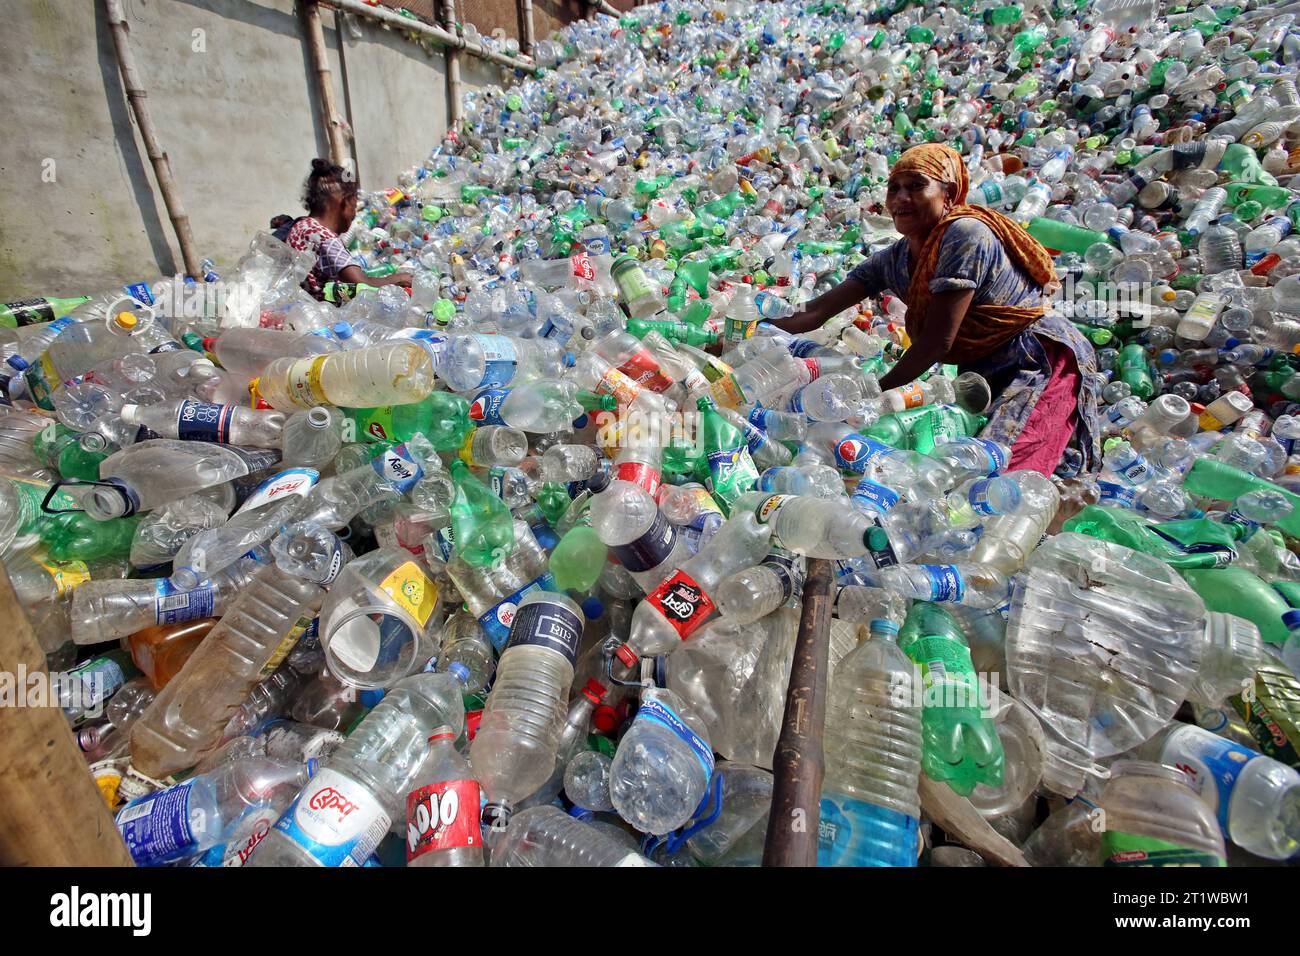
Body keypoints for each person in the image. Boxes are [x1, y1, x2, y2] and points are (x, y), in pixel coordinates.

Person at [771, 143, 1100, 477]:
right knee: (984, 469)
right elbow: (814, 312)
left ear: (949, 194)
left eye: (916, 186)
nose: (901, 198)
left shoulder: (965, 234)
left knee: (1005, 476)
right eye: (894, 188)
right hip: (982, 367)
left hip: (1037, 357)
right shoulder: (895, 259)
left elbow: (935, 343)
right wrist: (757, 323)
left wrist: (873, 395)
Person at [285, 159, 412, 302]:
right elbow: (362, 284)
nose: (354, 213)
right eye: (354, 204)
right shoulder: (325, 239)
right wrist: (398, 278)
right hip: (318, 310)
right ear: (344, 202)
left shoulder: (301, 226)